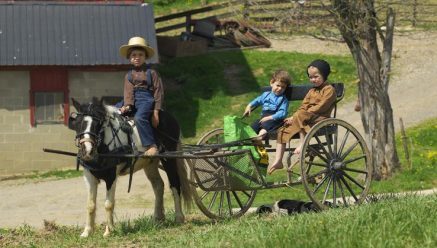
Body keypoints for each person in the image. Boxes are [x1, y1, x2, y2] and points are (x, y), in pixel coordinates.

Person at [268, 59, 337, 174]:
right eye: (310, 77)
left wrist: (304, 114)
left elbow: (322, 106)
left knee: (301, 115)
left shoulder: (329, 90)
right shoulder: (311, 91)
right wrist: (294, 117)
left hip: (320, 118)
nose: (313, 79)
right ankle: (278, 160)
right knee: (283, 130)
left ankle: (302, 144)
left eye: (316, 76)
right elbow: (303, 106)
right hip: (305, 119)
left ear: (324, 75)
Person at [118, 36, 164, 156]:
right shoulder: (128, 75)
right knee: (115, 111)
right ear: (129, 58)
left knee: (139, 118)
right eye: (134, 55)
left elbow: (158, 92)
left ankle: (151, 145)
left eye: (140, 55)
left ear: (145, 57)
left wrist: (156, 112)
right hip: (133, 99)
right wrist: (127, 106)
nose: (137, 58)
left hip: (146, 99)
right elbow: (128, 93)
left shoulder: (152, 73)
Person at [243, 70, 291, 141]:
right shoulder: (266, 95)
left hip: (275, 120)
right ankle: (249, 140)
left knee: (265, 126)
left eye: (283, 87)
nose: (280, 88)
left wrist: (270, 117)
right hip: (263, 119)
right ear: (272, 83)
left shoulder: (283, 100)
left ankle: (259, 138)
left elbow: (282, 113)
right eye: (278, 85)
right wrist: (249, 106)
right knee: (254, 125)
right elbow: (257, 101)